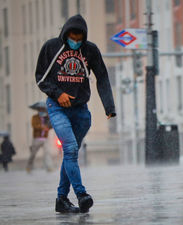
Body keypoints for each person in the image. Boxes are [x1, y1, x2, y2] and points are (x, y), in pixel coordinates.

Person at [35, 14, 116, 213]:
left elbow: (102, 77)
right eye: (73, 37)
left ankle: (61, 199)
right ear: (65, 33)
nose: (76, 42)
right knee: (70, 149)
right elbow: (40, 78)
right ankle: (81, 195)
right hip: (57, 108)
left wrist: (109, 107)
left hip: (81, 112)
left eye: (80, 39)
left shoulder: (90, 50)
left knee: (70, 155)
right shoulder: (51, 47)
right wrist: (58, 93)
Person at [26, 109, 54, 173]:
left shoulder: (47, 117)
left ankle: (49, 167)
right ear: (38, 110)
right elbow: (34, 125)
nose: (42, 111)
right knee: (33, 154)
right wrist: (42, 127)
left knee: (47, 153)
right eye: (40, 110)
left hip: (45, 138)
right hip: (37, 138)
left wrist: (48, 126)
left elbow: (51, 125)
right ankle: (29, 167)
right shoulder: (34, 117)